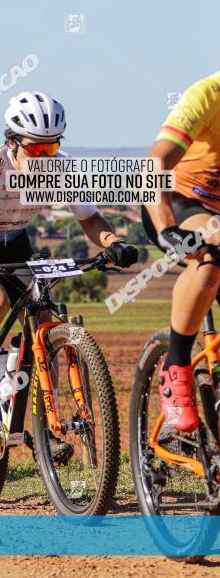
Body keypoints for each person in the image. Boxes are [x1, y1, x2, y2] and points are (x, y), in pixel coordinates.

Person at [0, 91, 138, 441]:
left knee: (42, 313)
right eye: (36, 149)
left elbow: (90, 219)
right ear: (12, 141)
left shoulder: (62, 168)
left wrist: (113, 243)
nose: (44, 157)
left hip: (15, 241)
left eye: (50, 148)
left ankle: (31, 411)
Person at [141, 71, 220, 433]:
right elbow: (154, 164)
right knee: (207, 264)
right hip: (178, 203)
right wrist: (166, 228)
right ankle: (176, 368)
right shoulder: (207, 95)